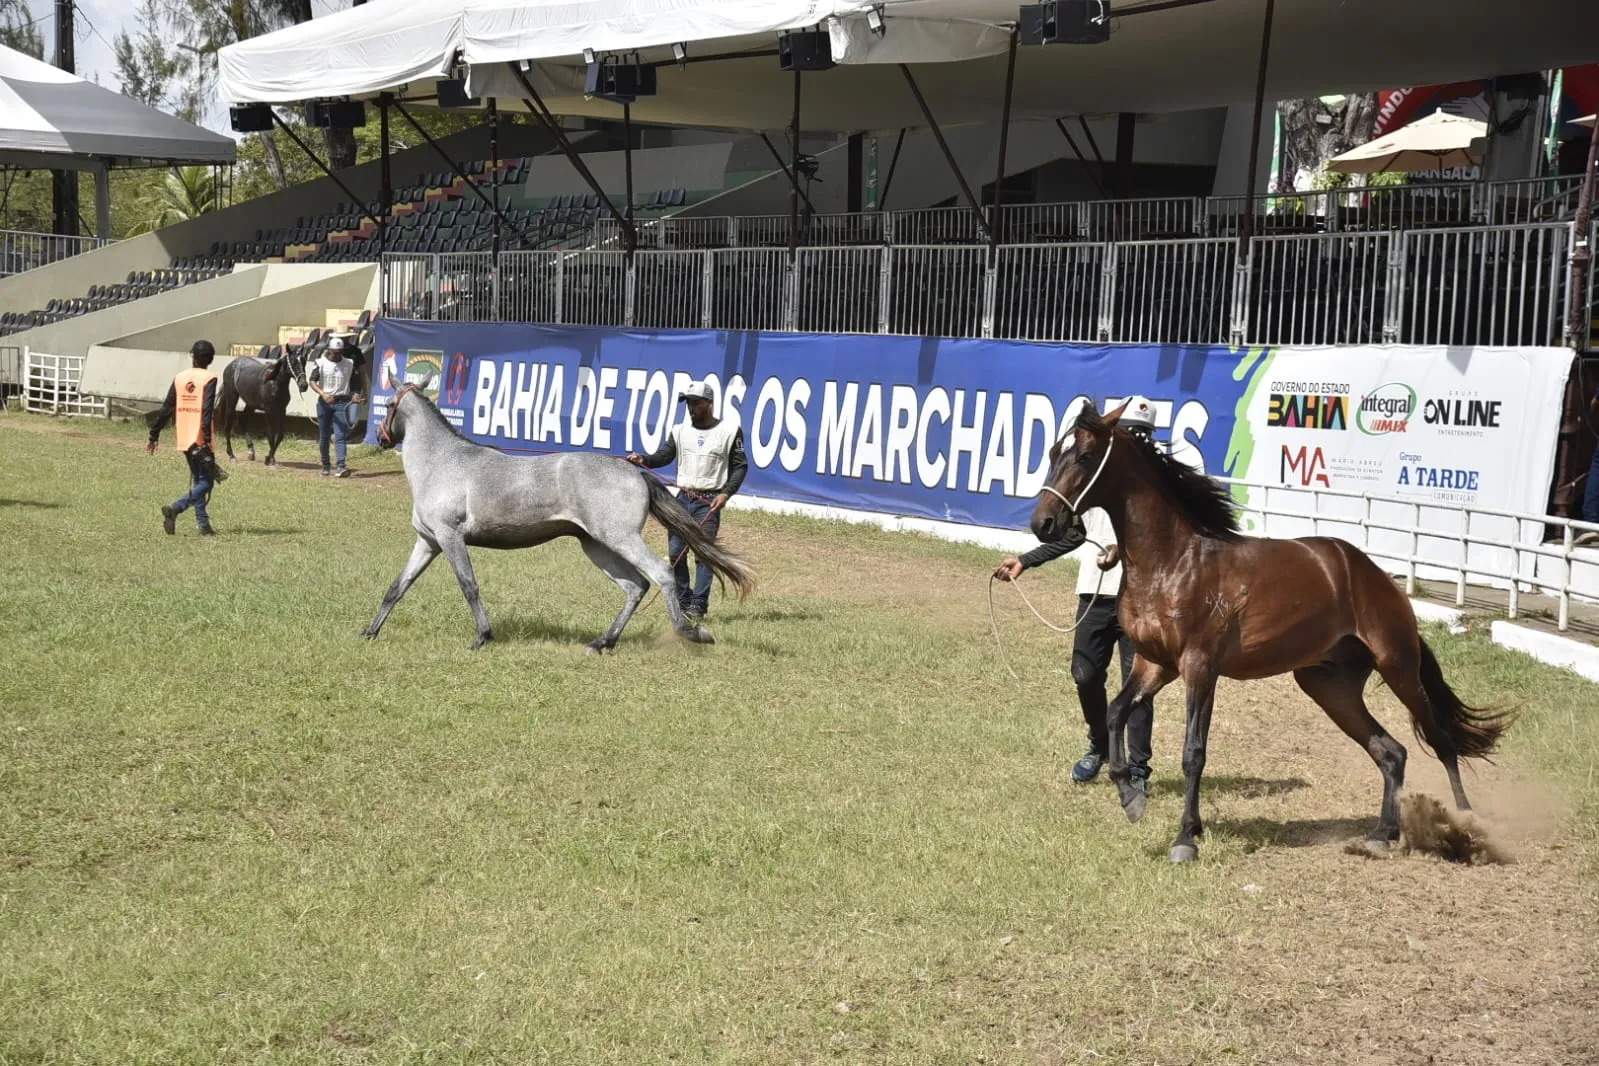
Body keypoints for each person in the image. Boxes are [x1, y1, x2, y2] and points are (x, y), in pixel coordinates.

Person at [993, 396, 1165, 794]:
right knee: (1085, 675)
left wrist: (1124, 549)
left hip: (1141, 598)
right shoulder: (1094, 474)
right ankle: (1100, 745)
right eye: (1129, 433)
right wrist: (1025, 560)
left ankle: (1138, 768)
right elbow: (1073, 534)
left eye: (1141, 434)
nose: (1133, 440)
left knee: (1136, 685)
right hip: (1095, 593)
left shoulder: (1158, 487)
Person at [627, 380, 748, 622]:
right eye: (688, 404)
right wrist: (644, 460)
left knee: (703, 555)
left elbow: (740, 466)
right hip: (682, 499)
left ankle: (699, 606)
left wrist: (726, 493)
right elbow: (664, 456)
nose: (691, 408)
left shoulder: (730, 431)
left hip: (709, 499)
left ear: (710, 404)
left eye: (696, 403)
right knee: (675, 553)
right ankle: (684, 602)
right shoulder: (679, 431)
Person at [147, 339, 223, 536]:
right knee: (206, 483)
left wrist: (154, 434)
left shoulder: (180, 378)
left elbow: (166, 408)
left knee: (199, 480)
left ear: (193, 357)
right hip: (200, 438)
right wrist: (206, 438)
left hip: (184, 437)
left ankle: (203, 525)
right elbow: (206, 410)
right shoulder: (210, 378)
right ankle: (176, 508)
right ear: (211, 359)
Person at [310, 334, 365, 477]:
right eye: (334, 353)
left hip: (342, 402)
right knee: (324, 436)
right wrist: (323, 393)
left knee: (340, 435)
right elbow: (312, 380)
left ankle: (341, 466)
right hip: (324, 402)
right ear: (329, 351)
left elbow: (355, 383)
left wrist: (355, 394)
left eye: (339, 353)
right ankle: (325, 464)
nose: (337, 355)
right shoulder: (320, 362)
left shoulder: (349, 363)